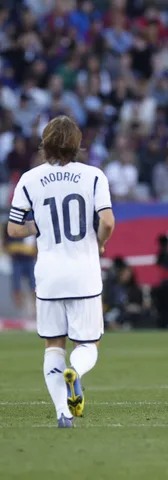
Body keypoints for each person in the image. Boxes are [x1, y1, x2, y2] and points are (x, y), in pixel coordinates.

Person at [6, 115, 116, 428]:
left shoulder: (30, 179)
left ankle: (63, 412)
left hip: (49, 274)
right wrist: (99, 243)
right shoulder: (93, 176)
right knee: (88, 344)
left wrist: (38, 225)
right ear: (77, 143)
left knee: (53, 345)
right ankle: (76, 372)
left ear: (46, 143)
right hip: (83, 272)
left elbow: (13, 229)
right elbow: (107, 222)